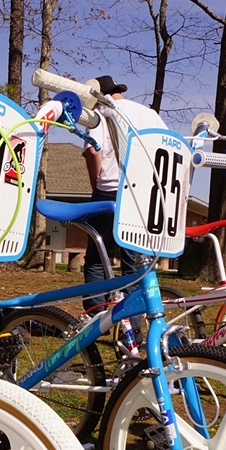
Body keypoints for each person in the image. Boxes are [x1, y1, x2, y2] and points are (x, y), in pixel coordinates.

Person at [80, 75, 169, 315]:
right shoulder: (150, 115)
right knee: (135, 260)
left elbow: (93, 152)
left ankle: (96, 317)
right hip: (144, 194)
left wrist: (95, 184)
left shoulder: (102, 112)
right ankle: (134, 320)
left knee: (99, 257)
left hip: (110, 190)